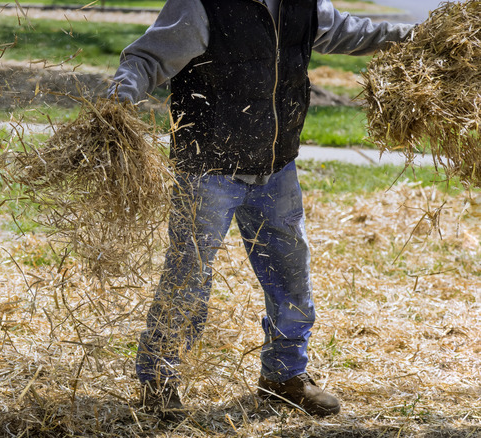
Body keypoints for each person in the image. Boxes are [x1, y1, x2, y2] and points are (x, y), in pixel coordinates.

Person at [108, 0, 414, 420]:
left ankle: (284, 378)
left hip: (277, 167)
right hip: (208, 169)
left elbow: (347, 31)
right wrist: (117, 100)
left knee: (291, 276)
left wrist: (416, 36)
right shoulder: (202, 4)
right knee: (188, 278)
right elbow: (147, 57)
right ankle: (159, 382)